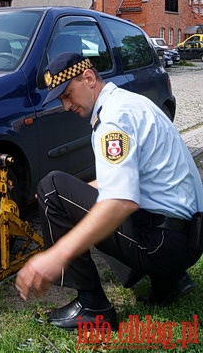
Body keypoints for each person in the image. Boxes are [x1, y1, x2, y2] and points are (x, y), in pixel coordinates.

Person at [15, 52, 203, 332]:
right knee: (76, 196)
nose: (66, 106)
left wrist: (57, 255)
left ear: (88, 78)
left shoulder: (113, 119)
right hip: (185, 237)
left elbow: (119, 202)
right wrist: (77, 199)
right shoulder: (129, 104)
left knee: (51, 188)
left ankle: (93, 307)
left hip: (163, 245)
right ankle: (171, 281)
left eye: (67, 94)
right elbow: (118, 181)